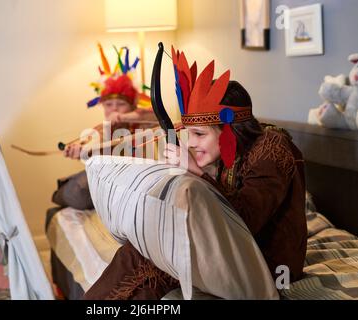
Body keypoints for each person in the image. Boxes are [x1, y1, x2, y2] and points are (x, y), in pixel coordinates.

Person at [83, 47, 308, 300]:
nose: (190, 143)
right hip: (225, 247)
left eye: (200, 134)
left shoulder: (272, 149)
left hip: (269, 266)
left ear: (232, 131)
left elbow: (244, 222)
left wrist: (196, 172)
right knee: (141, 250)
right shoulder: (224, 152)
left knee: (149, 259)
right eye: (188, 133)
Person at [64, 44, 156, 160]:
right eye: (108, 104)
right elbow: (94, 143)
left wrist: (122, 117)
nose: (114, 109)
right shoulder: (103, 130)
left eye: (121, 104)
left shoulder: (142, 124)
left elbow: (155, 116)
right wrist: (81, 149)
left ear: (133, 105)